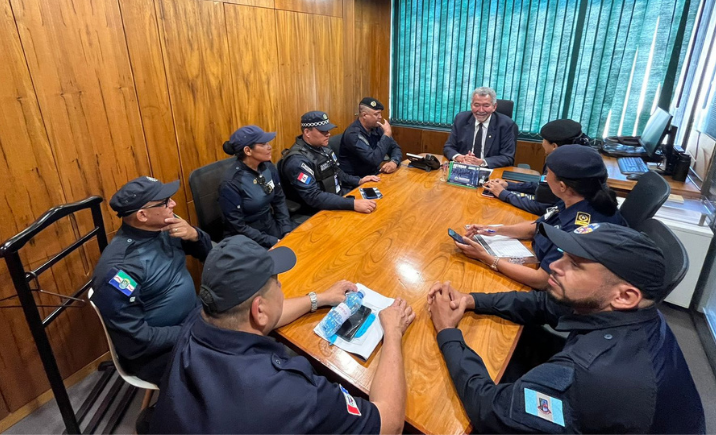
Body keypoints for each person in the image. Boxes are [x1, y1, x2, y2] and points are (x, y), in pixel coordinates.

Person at [426, 223, 705, 434]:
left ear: (624, 296)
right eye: (563, 255)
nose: (555, 267)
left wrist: (447, 333)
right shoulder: (628, 309)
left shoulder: (589, 374)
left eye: (574, 264)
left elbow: (490, 410)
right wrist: (471, 299)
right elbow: (544, 304)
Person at [150, 236, 415, 434]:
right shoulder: (291, 393)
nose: (280, 286)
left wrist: (319, 298)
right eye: (277, 282)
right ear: (259, 309)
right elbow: (389, 423)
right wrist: (392, 331)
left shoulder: (201, 318)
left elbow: (264, 315)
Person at [90, 176, 212, 384]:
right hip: (159, 351)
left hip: (194, 317)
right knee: (230, 371)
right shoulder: (120, 270)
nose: (173, 204)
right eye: (165, 202)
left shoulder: (166, 226)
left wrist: (195, 235)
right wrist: (195, 329)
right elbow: (136, 341)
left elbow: (209, 254)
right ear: (142, 215)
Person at [455, 145, 626, 290]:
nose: (544, 179)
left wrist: (486, 257)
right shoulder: (577, 198)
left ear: (562, 185)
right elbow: (539, 226)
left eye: (548, 173)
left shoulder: (581, 228)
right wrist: (493, 230)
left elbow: (542, 280)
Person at [279, 111, 381, 215]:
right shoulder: (297, 161)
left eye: (328, 130)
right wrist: (352, 204)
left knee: (378, 203)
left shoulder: (322, 147)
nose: (328, 134)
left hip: (338, 197)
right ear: (307, 132)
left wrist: (359, 181)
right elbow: (314, 197)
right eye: (323, 131)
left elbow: (337, 172)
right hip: (318, 211)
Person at [484, 119, 590, 215]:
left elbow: (542, 207)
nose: (542, 143)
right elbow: (543, 187)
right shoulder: (577, 160)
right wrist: (508, 185)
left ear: (554, 147)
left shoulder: (560, 168)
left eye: (543, 139)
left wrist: (503, 194)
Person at [219, 125, 296, 248]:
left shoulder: (268, 167)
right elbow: (238, 226)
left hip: (270, 224)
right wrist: (272, 241)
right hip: (247, 237)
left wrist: (286, 229)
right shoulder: (231, 183)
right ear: (248, 151)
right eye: (263, 144)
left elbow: (279, 199)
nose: (269, 147)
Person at [443, 87, 517, 168]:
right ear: (471, 105)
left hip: (491, 172)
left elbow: (508, 157)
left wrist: (482, 162)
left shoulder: (506, 124)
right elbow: (448, 147)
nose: (481, 110)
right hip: (463, 169)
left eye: (486, 105)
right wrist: (460, 157)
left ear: (494, 107)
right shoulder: (461, 119)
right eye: (476, 105)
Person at [338, 97, 402, 177]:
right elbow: (374, 160)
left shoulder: (376, 128)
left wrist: (394, 162)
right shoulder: (353, 134)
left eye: (380, 113)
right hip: (356, 181)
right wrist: (386, 134)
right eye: (376, 114)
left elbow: (395, 148)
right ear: (364, 115)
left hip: (373, 174)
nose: (380, 117)